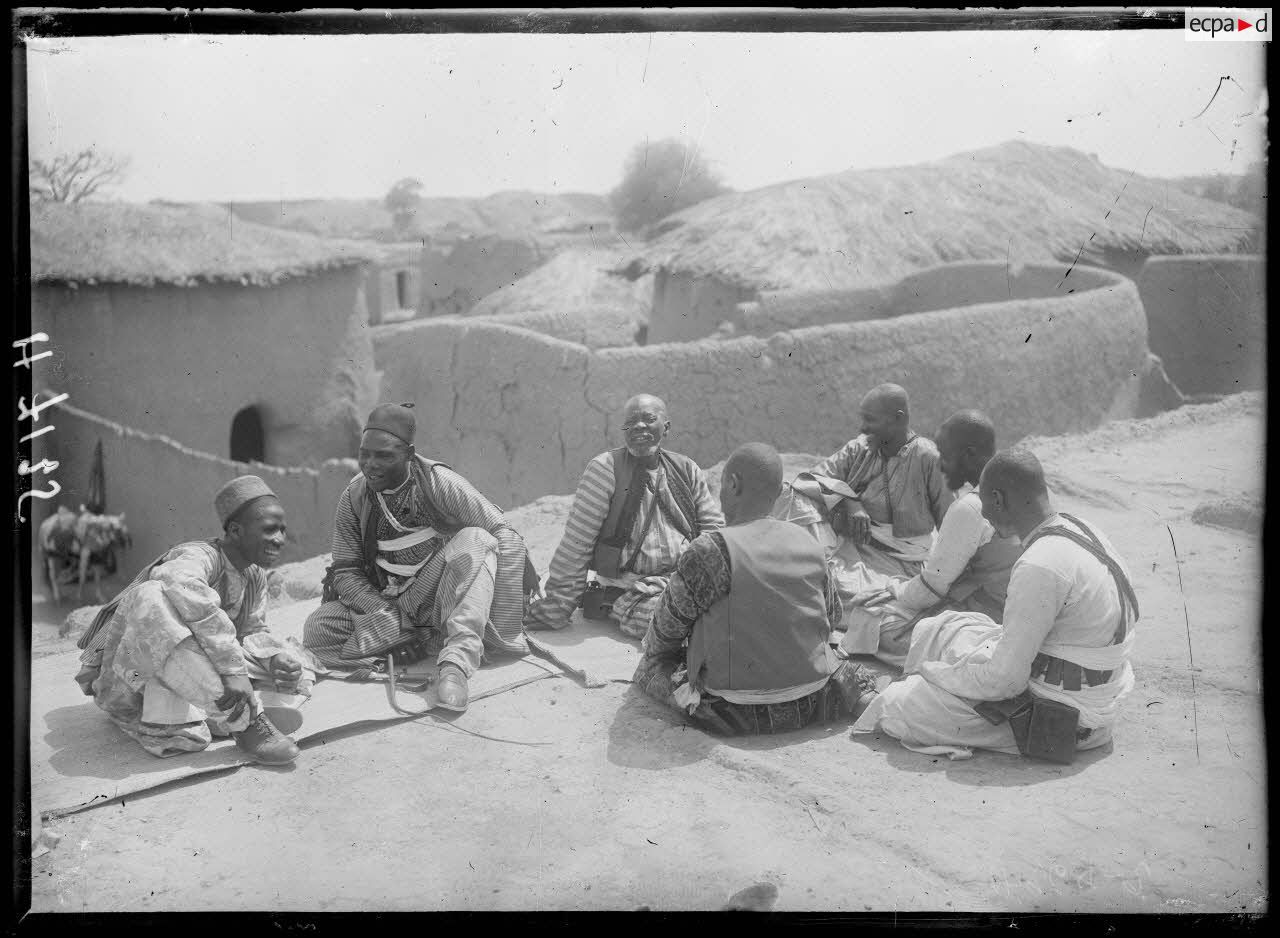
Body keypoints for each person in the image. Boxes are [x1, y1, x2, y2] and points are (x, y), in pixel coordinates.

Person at [853, 449, 1139, 761]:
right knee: (946, 627)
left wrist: (935, 674)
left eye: (984, 503)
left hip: (1064, 718)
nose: (984, 513)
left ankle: (896, 690)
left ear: (999, 500)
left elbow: (1004, 681)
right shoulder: (1081, 528)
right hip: (1090, 693)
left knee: (899, 704)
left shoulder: (1039, 564)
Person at [303, 402, 537, 713]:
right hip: (391, 604)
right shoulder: (354, 496)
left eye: (384, 455)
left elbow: (502, 533)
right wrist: (384, 611)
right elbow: (345, 570)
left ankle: (455, 664)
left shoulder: (440, 483)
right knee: (317, 628)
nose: (370, 464)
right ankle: (416, 641)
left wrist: (501, 616)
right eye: (365, 454)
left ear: (409, 455)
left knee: (477, 540)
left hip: (442, 594)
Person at [632, 443, 879, 736]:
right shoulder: (808, 542)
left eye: (721, 486)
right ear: (776, 495)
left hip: (733, 711)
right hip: (812, 699)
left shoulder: (710, 548)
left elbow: (664, 634)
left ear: (733, 484)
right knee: (838, 664)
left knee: (651, 665)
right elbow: (832, 615)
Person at [74, 476, 309, 764]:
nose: (280, 539)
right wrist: (233, 671)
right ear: (235, 530)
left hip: (187, 674)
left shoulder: (254, 576)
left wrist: (273, 659)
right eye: (270, 529)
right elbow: (177, 584)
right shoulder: (197, 556)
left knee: (289, 659)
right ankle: (248, 723)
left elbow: (252, 630)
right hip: (128, 677)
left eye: (282, 531)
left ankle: (205, 716)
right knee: (151, 596)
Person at [525, 393, 724, 638]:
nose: (639, 425)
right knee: (677, 622)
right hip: (630, 591)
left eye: (649, 419)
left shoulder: (687, 468)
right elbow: (576, 545)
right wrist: (557, 608)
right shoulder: (605, 469)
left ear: (666, 427)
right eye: (631, 421)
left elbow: (713, 531)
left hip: (684, 581)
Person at [839, 410, 1023, 665]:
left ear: (968, 454)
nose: (940, 465)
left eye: (945, 455)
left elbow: (929, 590)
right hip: (1014, 618)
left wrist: (894, 591)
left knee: (870, 616)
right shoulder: (1024, 484)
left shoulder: (972, 506)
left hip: (981, 628)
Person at [775, 383, 953, 579]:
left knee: (838, 586)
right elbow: (812, 479)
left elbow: (951, 523)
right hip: (848, 545)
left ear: (898, 418)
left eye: (870, 420)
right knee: (789, 495)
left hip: (898, 562)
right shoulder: (858, 447)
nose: (862, 427)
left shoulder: (929, 457)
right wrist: (850, 501)